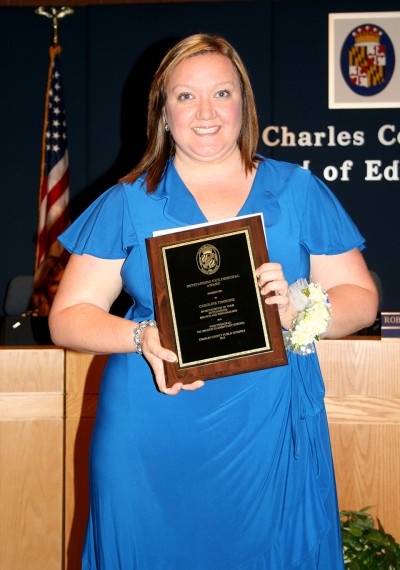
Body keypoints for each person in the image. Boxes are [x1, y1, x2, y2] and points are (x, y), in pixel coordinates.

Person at [49, 34, 378, 569]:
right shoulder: (127, 200)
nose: (206, 112)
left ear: (243, 104)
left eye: (222, 93)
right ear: (162, 110)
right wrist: (140, 337)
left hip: (268, 431)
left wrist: (303, 312)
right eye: (185, 96)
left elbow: (361, 298)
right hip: (153, 423)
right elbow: (67, 318)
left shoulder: (297, 189)